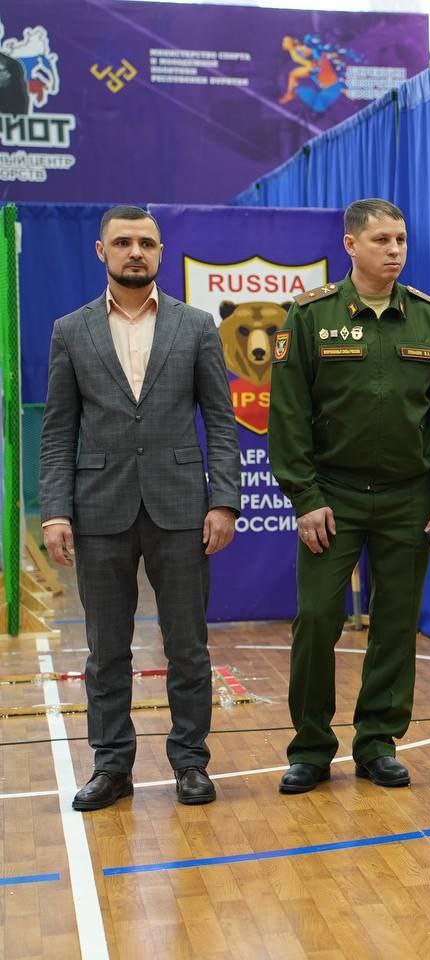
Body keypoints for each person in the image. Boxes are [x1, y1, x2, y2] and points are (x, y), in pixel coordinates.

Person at [39, 205, 240, 810]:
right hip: (98, 510)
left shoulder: (196, 326)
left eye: (146, 243)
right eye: (123, 242)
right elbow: (58, 431)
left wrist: (224, 501)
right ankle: (111, 766)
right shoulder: (70, 330)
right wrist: (55, 511)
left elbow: (221, 422)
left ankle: (191, 762)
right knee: (106, 650)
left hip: (181, 508)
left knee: (188, 646)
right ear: (101, 251)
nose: (135, 252)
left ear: (160, 252)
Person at [268, 198, 430, 793]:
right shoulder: (310, 316)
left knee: (395, 622)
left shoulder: (429, 318)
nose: (395, 250)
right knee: (316, 618)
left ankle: (378, 742)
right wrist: (305, 498)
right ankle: (310, 747)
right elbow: (288, 416)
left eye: (401, 239)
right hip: (333, 496)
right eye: (382, 240)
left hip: (410, 497)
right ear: (350, 245)